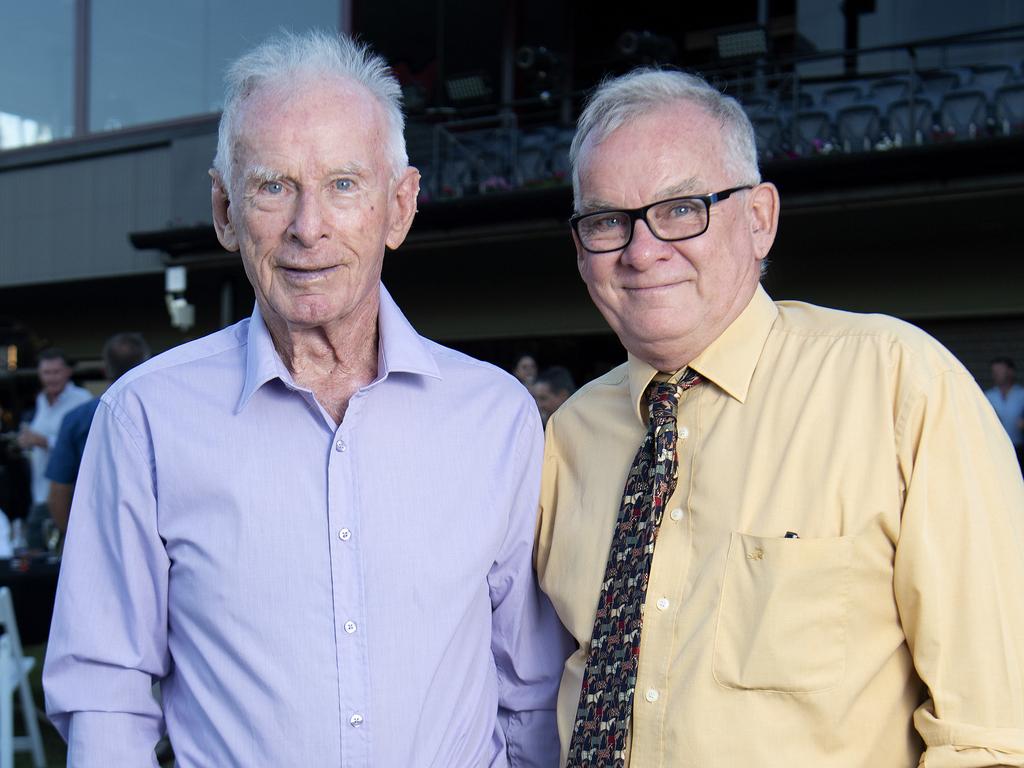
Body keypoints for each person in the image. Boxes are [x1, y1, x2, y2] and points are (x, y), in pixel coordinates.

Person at [44, 31, 569, 767]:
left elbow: (530, 690)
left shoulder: (497, 419)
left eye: (344, 185)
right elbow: (105, 692)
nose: (307, 227)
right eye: (273, 186)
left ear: (400, 205)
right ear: (226, 211)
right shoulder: (144, 421)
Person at [534, 68, 1024, 767]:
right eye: (608, 220)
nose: (642, 251)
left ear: (760, 217)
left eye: (681, 207)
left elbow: (994, 737)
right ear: (582, 250)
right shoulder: (569, 439)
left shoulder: (898, 387)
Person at [45, 333, 151, 532]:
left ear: (105, 369)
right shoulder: (164, 414)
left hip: (97, 530)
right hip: (153, 532)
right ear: (147, 364)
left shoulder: (77, 418)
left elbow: (58, 491)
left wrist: (72, 539)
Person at [16, 349, 91, 545]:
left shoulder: (81, 399)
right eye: (46, 373)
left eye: (56, 372)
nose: (51, 378)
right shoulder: (41, 401)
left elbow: (85, 445)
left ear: (68, 372)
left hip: (67, 494)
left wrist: (42, 440)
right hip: (40, 492)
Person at [985, 356, 1024, 471]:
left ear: (1011, 372)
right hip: (997, 449)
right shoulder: (988, 396)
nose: (996, 374)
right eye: (994, 371)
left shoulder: (1021, 395)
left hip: (1020, 448)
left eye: (1000, 370)